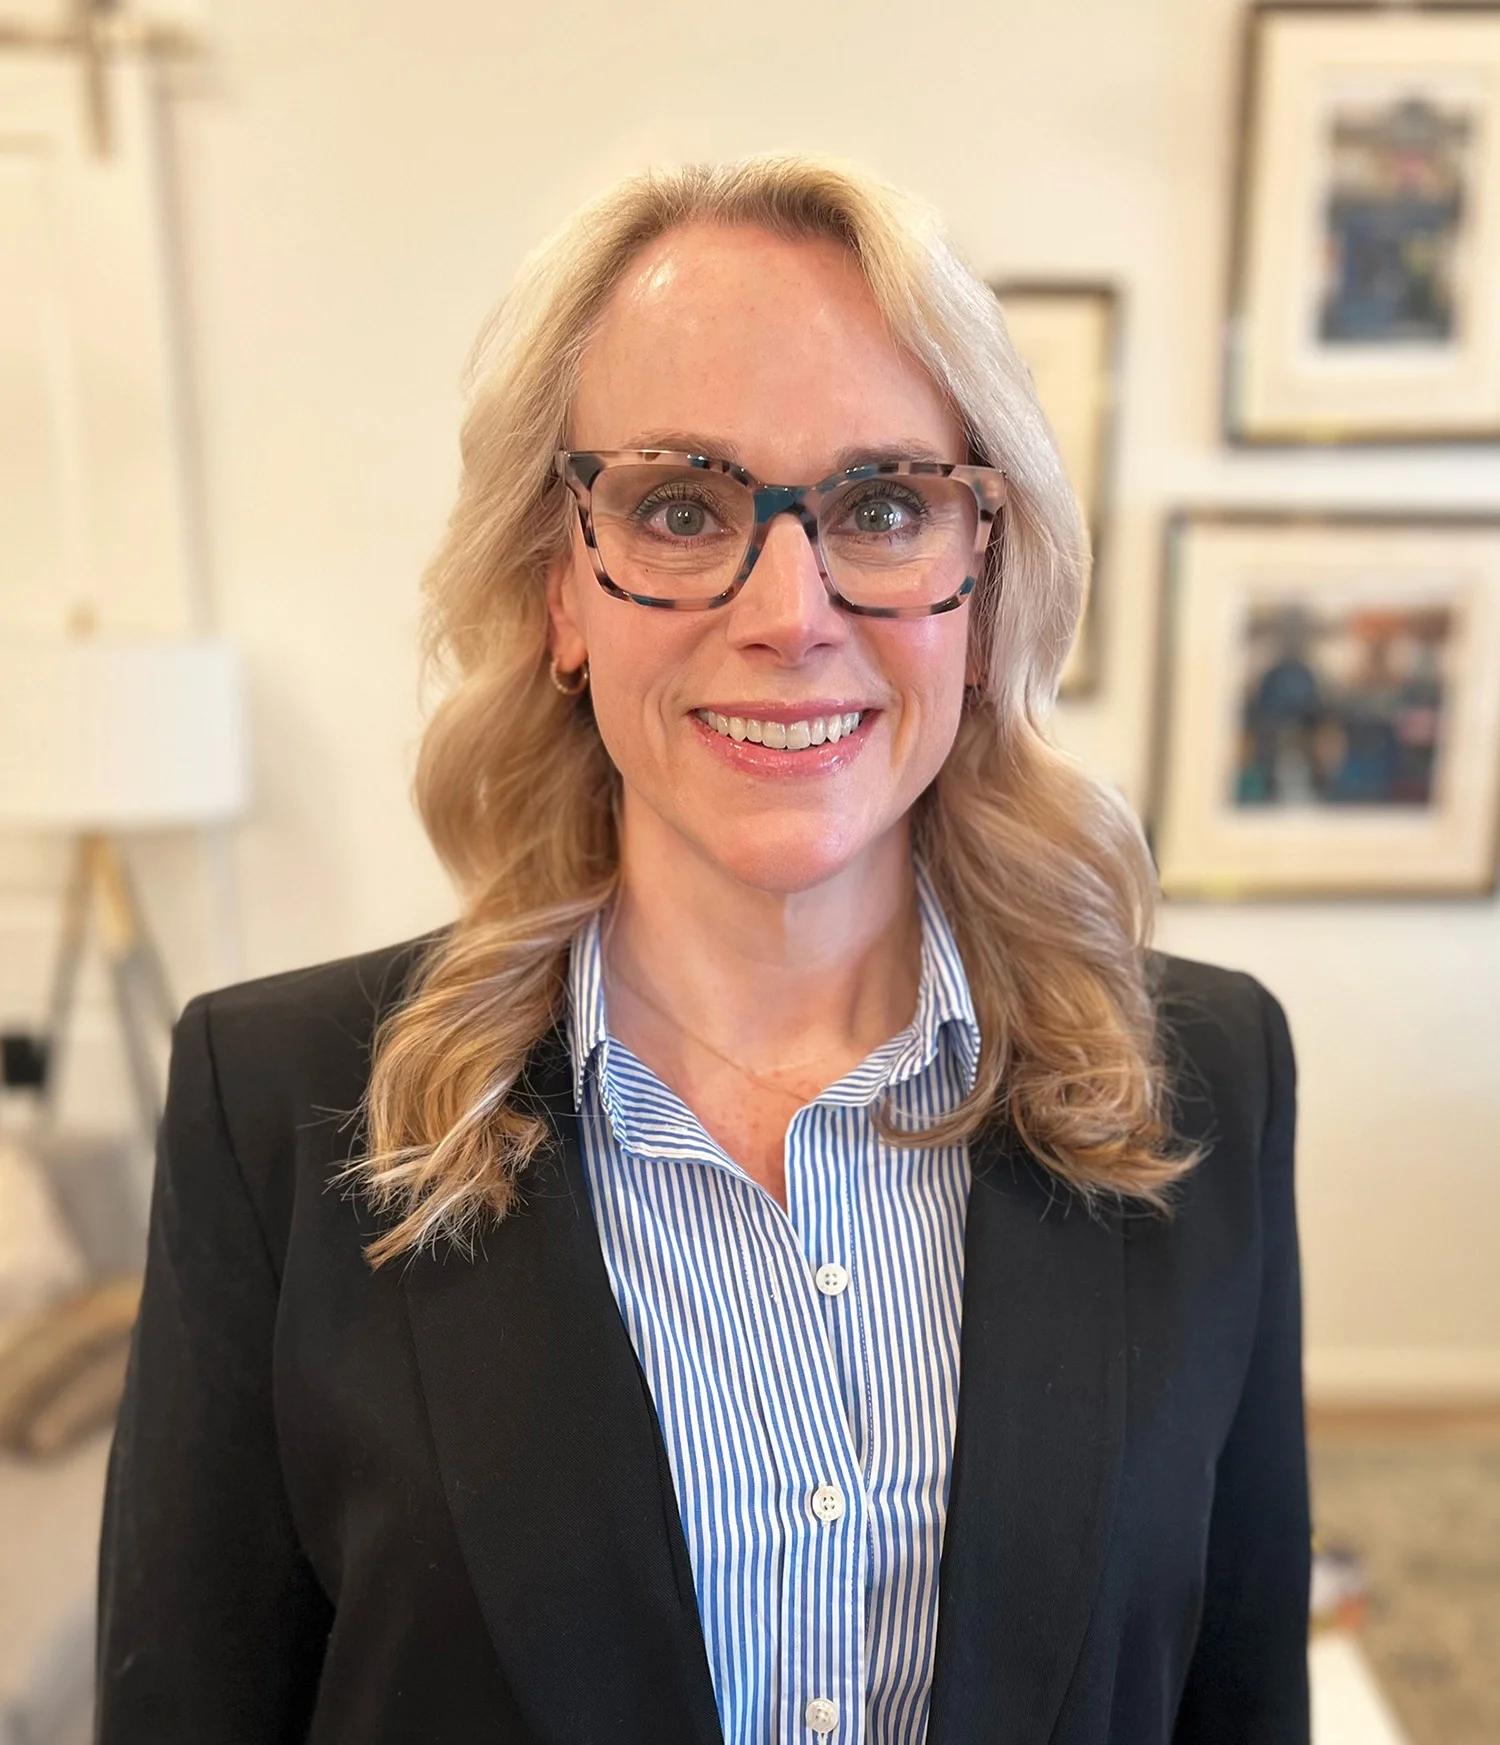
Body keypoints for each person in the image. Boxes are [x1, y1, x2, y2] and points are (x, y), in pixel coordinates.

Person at [96, 156, 1310, 1745]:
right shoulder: (278, 1105)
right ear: (559, 588)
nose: (790, 610)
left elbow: (1236, 1699)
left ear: (982, 574)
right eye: (683, 509)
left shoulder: (1203, 1078)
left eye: (882, 506)